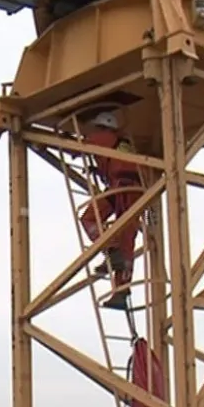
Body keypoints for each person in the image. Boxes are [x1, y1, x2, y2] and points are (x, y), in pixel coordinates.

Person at [77, 111, 144, 310]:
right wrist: (99, 169)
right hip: (137, 190)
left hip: (121, 188)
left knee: (89, 219)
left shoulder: (102, 138)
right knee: (128, 239)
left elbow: (78, 146)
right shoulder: (124, 143)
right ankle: (122, 290)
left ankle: (111, 248)